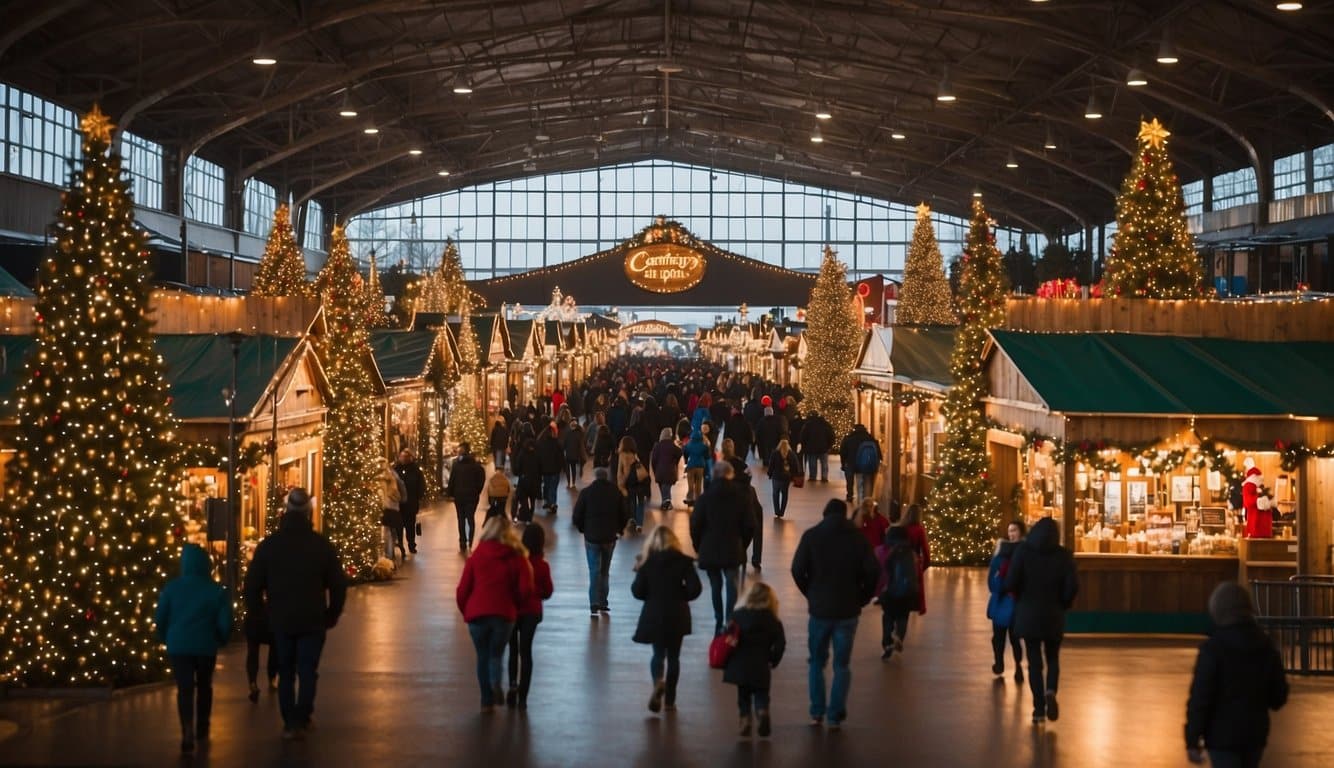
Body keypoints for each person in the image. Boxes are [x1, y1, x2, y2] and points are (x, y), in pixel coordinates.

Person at [244, 488, 348, 740]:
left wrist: (259, 613)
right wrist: (331, 613)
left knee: (286, 669)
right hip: (313, 618)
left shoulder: (269, 547)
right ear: (309, 513)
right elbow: (337, 583)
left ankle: (290, 721)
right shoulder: (320, 546)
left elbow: (252, 584)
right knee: (307, 669)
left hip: (280, 618)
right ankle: (303, 715)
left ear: (286, 512)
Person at [791, 499, 879, 729]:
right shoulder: (858, 539)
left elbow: (797, 569)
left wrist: (810, 593)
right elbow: (872, 571)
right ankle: (835, 715)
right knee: (842, 665)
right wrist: (862, 597)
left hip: (820, 610)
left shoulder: (812, 536)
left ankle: (816, 712)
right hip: (848, 610)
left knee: (816, 662)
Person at [1185, 581, 1289, 768]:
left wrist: (1192, 738)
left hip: (1221, 737)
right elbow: (1278, 697)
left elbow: (1200, 697)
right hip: (1254, 735)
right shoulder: (1266, 645)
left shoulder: (1213, 649)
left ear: (1217, 610)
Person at [155, 543, 232, 753]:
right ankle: (202, 727)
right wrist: (221, 638)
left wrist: (165, 638)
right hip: (206, 645)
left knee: (185, 689)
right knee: (204, 686)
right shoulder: (216, 591)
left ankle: (186, 729)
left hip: (178, 645)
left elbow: (160, 618)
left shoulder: (171, 588)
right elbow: (225, 621)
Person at [456, 517, 535, 711]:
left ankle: (486, 700)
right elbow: (526, 589)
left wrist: (466, 610)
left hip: (477, 614)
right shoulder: (517, 557)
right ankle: (496, 682)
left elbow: (462, 590)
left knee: (482, 657)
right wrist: (514, 605)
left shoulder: (476, 556)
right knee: (496, 654)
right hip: (504, 614)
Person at [1005, 516, 1078, 725]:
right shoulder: (1064, 556)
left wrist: (1020, 598)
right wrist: (1063, 603)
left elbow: (1011, 581)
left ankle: (1038, 709)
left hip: (1028, 614)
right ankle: (1050, 691)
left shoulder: (1023, 552)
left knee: (1034, 663)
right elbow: (1072, 586)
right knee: (1053, 658)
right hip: (1054, 614)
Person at [631, 525, 703, 715]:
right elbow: (696, 588)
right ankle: (670, 699)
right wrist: (682, 596)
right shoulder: (684, 562)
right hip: (677, 613)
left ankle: (658, 683)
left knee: (658, 654)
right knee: (674, 657)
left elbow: (637, 591)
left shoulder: (647, 563)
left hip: (654, 613)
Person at [690, 461, 754, 635]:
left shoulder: (705, 498)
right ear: (731, 475)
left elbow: (695, 524)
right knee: (732, 584)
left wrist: (698, 546)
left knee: (715, 585)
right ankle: (730, 619)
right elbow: (750, 525)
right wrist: (743, 543)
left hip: (710, 548)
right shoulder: (741, 496)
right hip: (733, 547)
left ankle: (718, 620)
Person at [725, 581, 786, 739]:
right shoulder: (772, 620)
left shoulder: (737, 616)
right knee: (761, 694)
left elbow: (726, 636)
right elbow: (780, 644)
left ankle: (745, 719)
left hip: (740, 665)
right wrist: (773, 659)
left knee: (743, 695)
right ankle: (762, 712)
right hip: (761, 665)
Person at [506, 524, 553, 710]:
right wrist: (537, 592)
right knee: (526, 652)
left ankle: (512, 683)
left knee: (512, 649)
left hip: (513, 610)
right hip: (532, 612)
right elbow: (548, 591)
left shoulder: (516, 561)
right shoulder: (542, 565)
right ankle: (523, 696)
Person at [572, 466, 630, 616]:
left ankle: (594, 603)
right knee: (605, 571)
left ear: (595, 477)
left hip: (591, 537)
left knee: (594, 571)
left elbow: (577, 515)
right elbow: (624, 514)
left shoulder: (586, 492)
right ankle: (604, 602)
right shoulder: (615, 492)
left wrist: (582, 529)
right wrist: (620, 529)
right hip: (609, 537)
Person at [987, 520, 1026, 683]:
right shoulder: (1007, 554)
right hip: (1007, 601)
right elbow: (991, 580)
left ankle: (1013, 665)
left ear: (1021, 532)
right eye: (1009, 531)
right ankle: (1003, 663)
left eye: (1014, 530)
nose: (1011, 534)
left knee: (1010, 637)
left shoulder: (1019, 554)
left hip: (1011, 602)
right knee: (1002, 637)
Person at [876, 525, 919, 660]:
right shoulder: (911, 553)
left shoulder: (889, 552)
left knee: (888, 617)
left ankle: (887, 642)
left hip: (891, 592)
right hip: (908, 592)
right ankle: (899, 636)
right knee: (903, 617)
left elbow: (885, 572)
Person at [446, 442, 488, 553]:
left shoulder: (456, 465)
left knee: (461, 519)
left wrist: (450, 493)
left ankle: (462, 541)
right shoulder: (475, 465)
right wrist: (477, 490)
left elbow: (452, 480)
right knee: (470, 518)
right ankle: (470, 540)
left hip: (459, 496)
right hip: (472, 496)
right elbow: (482, 478)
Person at [244, 591, 278, 705]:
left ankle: (253, 682)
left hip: (254, 616)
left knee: (252, 651)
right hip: (271, 614)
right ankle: (272, 678)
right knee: (274, 648)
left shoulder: (253, 574)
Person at [900, 503, 932, 615]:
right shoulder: (919, 529)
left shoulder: (901, 528)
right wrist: (924, 564)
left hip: (901, 559)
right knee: (915, 587)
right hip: (914, 561)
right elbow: (925, 549)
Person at [394, 449, 426, 554]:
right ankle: (400, 545)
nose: (403, 459)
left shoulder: (416, 470)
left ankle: (411, 544)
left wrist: (419, 498)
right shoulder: (396, 470)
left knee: (410, 525)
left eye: (406, 457)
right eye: (402, 456)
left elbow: (421, 486)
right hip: (398, 504)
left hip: (411, 503)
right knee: (398, 525)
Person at [617, 435, 650, 533]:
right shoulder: (635, 454)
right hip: (638, 479)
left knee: (630, 499)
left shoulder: (622, 455)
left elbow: (620, 471)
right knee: (640, 501)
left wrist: (620, 484)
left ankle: (632, 518)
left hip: (628, 481)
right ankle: (639, 524)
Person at [766, 438, 802, 519]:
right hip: (786, 478)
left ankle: (777, 511)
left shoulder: (775, 453)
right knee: (784, 494)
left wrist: (769, 474)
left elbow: (771, 465)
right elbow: (795, 466)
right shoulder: (791, 454)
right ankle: (782, 511)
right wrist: (794, 476)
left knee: (775, 494)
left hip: (776, 477)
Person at [378, 458, 407, 562]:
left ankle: (387, 556)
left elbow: (397, 493)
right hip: (392, 508)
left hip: (386, 508)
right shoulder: (393, 476)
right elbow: (399, 494)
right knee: (389, 532)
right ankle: (389, 556)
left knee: (386, 533)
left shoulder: (387, 477)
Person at [838, 423, 875, 503]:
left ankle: (851, 496)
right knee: (867, 481)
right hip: (867, 463)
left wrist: (843, 463)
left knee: (852, 481)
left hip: (851, 463)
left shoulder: (849, 438)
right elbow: (876, 450)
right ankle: (867, 499)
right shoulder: (869, 438)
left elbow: (843, 451)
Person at [536, 420, 566, 515]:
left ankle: (548, 502)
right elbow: (561, 457)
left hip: (545, 470)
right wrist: (563, 467)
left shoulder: (541, 444)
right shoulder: (557, 444)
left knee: (547, 485)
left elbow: (539, 457)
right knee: (553, 487)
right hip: (555, 470)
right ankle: (552, 503)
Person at [797, 409, 835, 482]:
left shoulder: (808, 425)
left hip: (811, 448)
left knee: (812, 464)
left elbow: (803, 437)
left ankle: (812, 477)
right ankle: (824, 477)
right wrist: (829, 446)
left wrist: (804, 446)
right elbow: (831, 435)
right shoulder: (825, 424)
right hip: (823, 447)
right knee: (824, 464)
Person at [650, 427, 683, 511]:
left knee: (663, 487)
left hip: (660, 471)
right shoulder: (672, 445)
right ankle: (666, 502)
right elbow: (680, 453)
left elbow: (653, 460)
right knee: (666, 487)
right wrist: (675, 461)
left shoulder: (657, 446)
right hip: (670, 471)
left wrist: (655, 470)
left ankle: (665, 502)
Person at [511, 437, 541, 523]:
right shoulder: (536, 454)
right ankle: (530, 515)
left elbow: (517, 467)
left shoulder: (522, 454)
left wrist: (518, 473)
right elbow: (540, 466)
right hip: (534, 481)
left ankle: (525, 516)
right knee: (532, 500)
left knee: (523, 500)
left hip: (524, 481)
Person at [682, 429, 712, 506]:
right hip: (700, 466)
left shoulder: (689, 444)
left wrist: (686, 459)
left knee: (690, 483)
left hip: (691, 465)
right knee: (699, 483)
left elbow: (685, 452)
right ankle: (698, 500)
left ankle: (690, 498)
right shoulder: (703, 446)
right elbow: (707, 455)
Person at [562, 418, 588, 489]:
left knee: (568, 469)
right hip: (575, 455)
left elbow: (564, 444)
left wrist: (563, 450)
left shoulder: (567, 433)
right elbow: (582, 444)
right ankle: (573, 483)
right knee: (573, 469)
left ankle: (568, 483)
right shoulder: (579, 433)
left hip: (568, 454)